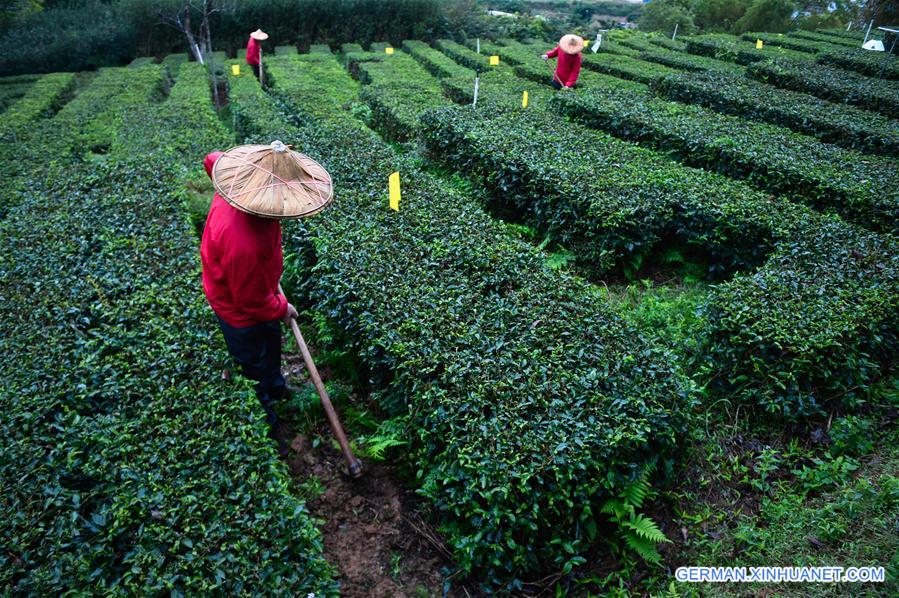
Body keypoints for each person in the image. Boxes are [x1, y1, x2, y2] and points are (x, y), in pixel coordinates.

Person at [200, 149, 295, 435]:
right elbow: (250, 301)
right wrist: (282, 308)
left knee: (272, 340)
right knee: (253, 359)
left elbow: (212, 159)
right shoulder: (243, 243)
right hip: (238, 310)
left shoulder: (235, 182)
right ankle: (268, 420)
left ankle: (276, 386)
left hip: (261, 288)